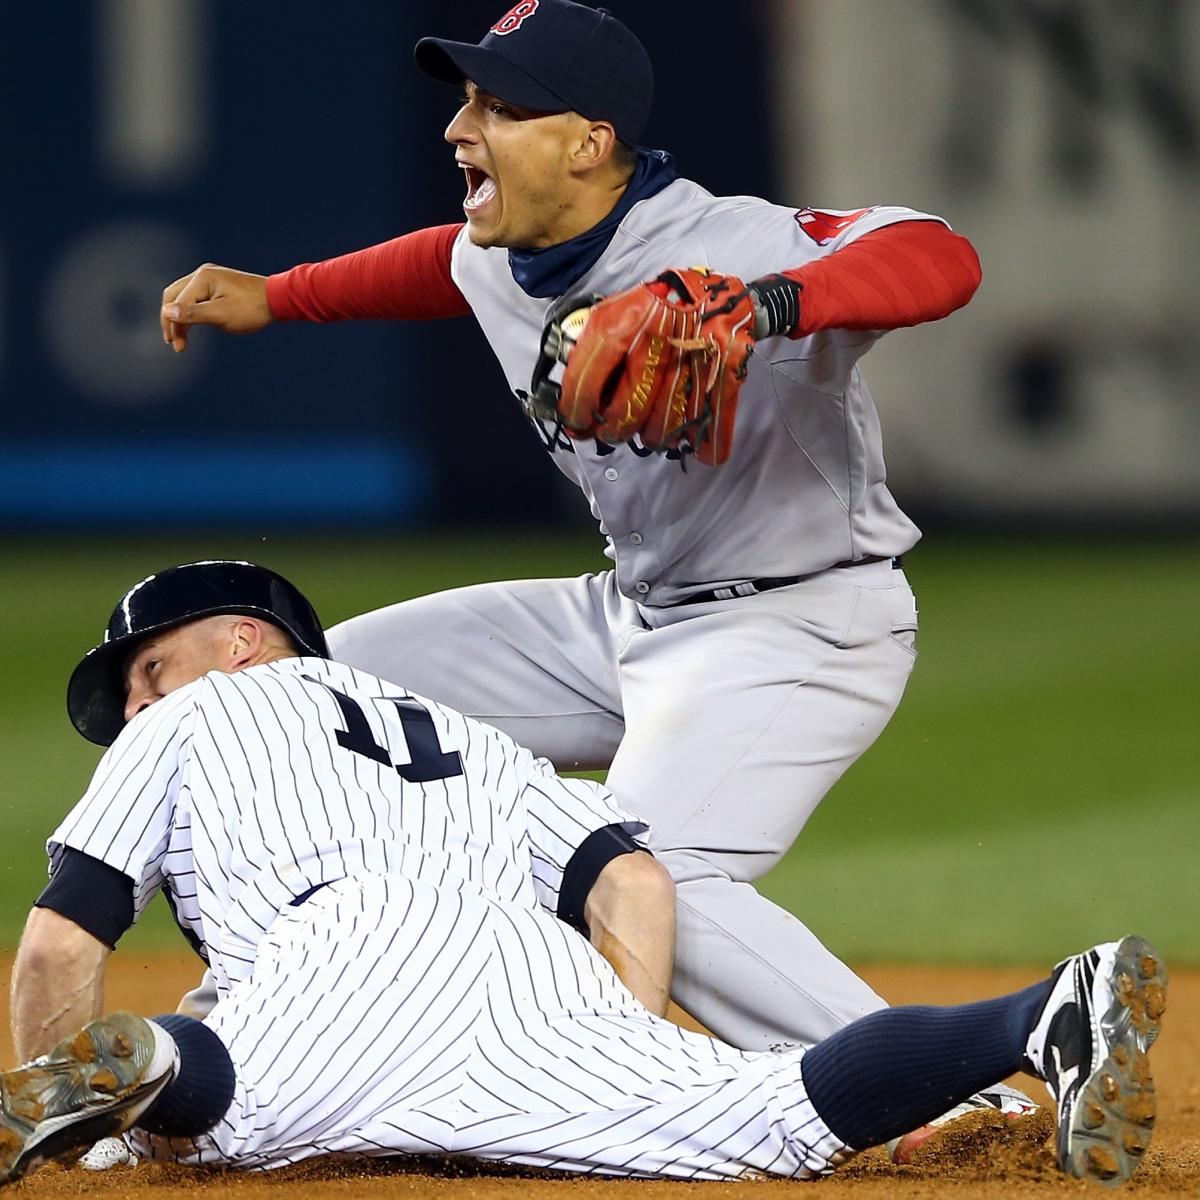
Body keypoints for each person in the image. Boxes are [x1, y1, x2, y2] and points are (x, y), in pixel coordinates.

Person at [159, 0, 992, 1091]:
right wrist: (282, 296)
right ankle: (227, 1043)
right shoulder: (503, 249)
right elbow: (442, 264)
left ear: (590, 143)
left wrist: (772, 306)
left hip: (796, 623)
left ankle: (944, 1092)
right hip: (626, 615)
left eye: (498, 107)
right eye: (466, 102)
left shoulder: (730, 241)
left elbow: (940, 255)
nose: (461, 130)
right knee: (297, 704)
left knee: (655, 877)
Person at [0, 561, 1167, 1187]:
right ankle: (1041, 1009)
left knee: (208, 1131)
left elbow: (64, 939)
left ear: (244, 642)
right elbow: (634, 885)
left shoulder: (189, 723)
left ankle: (158, 1066)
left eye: (151, 669)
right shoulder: (471, 736)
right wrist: (614, 1049)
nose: (139, 703)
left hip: (328, 956)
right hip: (527, 968)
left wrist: (69, 1109)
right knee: (770, 1117)